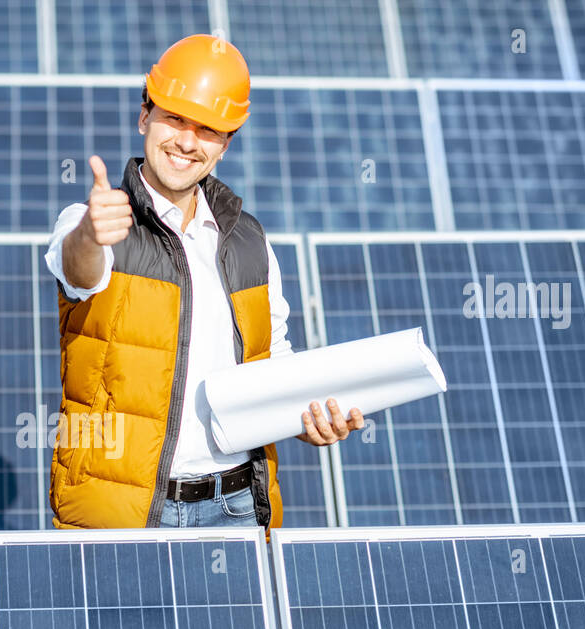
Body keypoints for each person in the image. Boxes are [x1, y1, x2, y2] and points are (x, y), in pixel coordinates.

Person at [44, 34, 363, 529]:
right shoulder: (92, 223)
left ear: (227, 142)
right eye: (174, 118)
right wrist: (91, 232)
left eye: (208, 128)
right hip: (124, 511)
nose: (188, 142)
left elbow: (271, 363)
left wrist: (313, 417)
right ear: (143, 115)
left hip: (237, 506)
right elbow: (78, 269)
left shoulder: (249, 240)